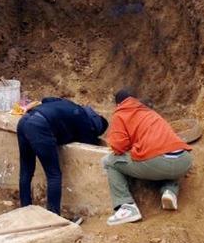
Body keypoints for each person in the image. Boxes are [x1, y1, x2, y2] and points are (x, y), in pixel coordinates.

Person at [103, 89, 193, 226]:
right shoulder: (148, 111)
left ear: (118, 104)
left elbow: (118, 147)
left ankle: (126, 207)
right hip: (184, 160)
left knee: (110, 161)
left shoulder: (121, 113)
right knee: (167, 162)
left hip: (157, 162)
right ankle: (170, 190)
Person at [17, 97, 108, 216]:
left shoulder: (69, 104)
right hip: (40, 127)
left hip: (24, 121)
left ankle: (24, 210)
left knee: (26, 170)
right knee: (54, 175)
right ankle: (53, 216)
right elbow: (89, 143)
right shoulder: (86, 124)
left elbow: (46, 99)